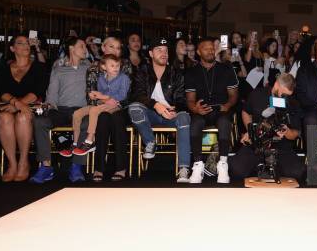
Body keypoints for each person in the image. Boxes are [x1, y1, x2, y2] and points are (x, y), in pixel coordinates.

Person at [128, 37, 192, 183]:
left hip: (170, 115)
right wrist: (156, 105)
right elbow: (136, 95)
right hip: (151, 115)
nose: (164, 53)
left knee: (184, 117)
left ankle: (183, 169)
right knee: (134, 108)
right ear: (150, 53)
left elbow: (182, 99)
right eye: (159, 50)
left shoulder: (176, 73)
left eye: (166, 50)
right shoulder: (142, 71)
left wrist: (176, 109)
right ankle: (150, 142)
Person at [30, 37, 90, 184]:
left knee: (85, 123)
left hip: (81, 110)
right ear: (71, 48)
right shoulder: (58, 69)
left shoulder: (90, 67)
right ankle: (46, 167)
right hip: (61, 110)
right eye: (82, 46)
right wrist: (47, 106)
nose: (85, 49)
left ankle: (76, 166)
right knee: (40, 121)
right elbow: (52, 95)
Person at [230, 73, 306, 184]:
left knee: (298, 172)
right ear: (276, 84)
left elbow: (296, 132)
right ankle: (263, 167)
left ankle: (269, 168)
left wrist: (286, 131)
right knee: (236, 170)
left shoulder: (293, 103)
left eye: (287, 95)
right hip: (257, 143)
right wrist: (250, 131)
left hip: (281, 146)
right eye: (282, 93)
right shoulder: (257, 94)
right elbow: (246, 112)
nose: (283, 97)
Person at [185, 37, 239, 184]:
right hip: (201, 111)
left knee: (224, 121)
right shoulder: (191, 72)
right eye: (206, 48)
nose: (210, 51)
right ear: (198, 52)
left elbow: (234, 95)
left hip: (221, 109)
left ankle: (222, 163)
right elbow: (190, 99)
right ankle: (198, 165)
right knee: (195, 122)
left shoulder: (226, 69)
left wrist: (228, 105)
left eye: (211, 48)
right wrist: (195, 108)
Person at [0, 34, 47, 182]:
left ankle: (24, 162)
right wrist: (16, 104)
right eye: (20, 43)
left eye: (26, 43)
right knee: (3, 117)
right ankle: (12, 163)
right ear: (12, 48)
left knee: (22, 116)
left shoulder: (38, 67)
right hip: (9, 107)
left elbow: (39, 91)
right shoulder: (4, 68)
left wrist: (21, 105)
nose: (25, 46)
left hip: (31, 107)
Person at [85, 36, 132, 181]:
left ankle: (120, 167)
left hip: (122, 107)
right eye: (112, 47)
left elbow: (129, 94)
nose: (116, 50)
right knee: (103, 118)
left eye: (118, 48)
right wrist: (102, 102)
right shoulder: (94, 67)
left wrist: (116, 103)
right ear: (103, 48)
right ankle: (99, 168)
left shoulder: (126, 65)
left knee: (117, 118)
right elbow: (90, 94)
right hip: (102, 107)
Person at [70, 54, 130, 159]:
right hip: (103, 104)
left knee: (94, 110)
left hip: (116, 105)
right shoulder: (101, 78)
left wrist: (103, 97)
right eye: (112, 65)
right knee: (77, 113)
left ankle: (90, 141)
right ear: (103, 67)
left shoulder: (123, 78)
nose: (116, 68)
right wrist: (95, 96)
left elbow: (122, 95)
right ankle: (75, 143)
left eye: (117, 65)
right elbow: (100, 95)